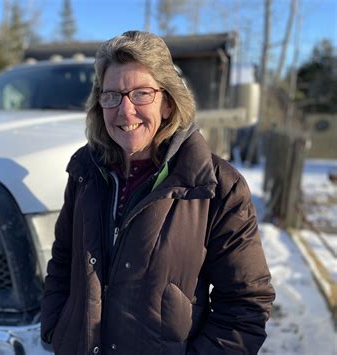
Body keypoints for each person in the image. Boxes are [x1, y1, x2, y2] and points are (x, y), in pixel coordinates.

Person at [41, 30, 275, 355]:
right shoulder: (86, 171)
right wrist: (56, 328)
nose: (125, 111)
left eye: (140, 94)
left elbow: (245, 304)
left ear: (167, 102)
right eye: (112, 95)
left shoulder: (216, 186)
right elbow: (64, 258)